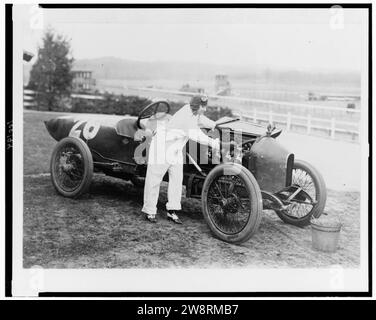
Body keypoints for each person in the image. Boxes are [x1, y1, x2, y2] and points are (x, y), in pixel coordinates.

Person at [141, 95, 220, 224]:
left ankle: (172, 211)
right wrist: (215, 143)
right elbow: (196, 134)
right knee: (154, 180)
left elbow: (200, 118)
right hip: (162, 147)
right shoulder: (185, 118)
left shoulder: (191, 110)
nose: (204, 109)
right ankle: (150, 211)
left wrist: (213, 124)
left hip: (176, 148)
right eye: (203, 106)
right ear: (196, 106)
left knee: (177, 180)